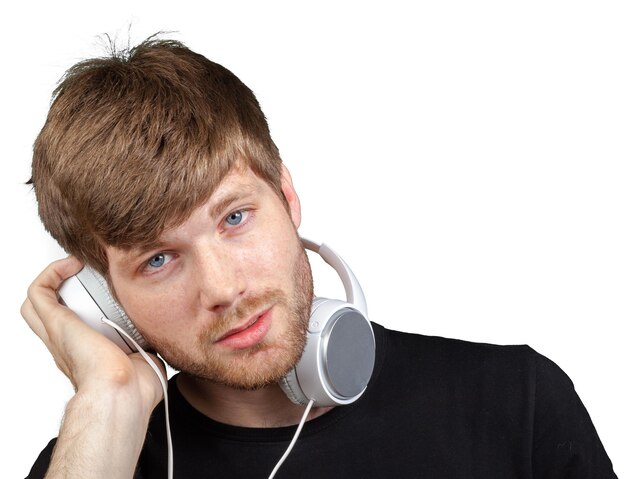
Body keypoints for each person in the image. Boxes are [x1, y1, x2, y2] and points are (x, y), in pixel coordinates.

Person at [22, 37, 617, 478]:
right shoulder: (93, 456)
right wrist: (106, 402)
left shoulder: (515, 400)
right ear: (106, 301)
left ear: (287, 196)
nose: (224, 288)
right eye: (157, 260)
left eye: (234, 218)